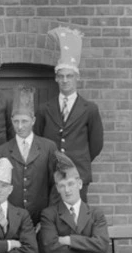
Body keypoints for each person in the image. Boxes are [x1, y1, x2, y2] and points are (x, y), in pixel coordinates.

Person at [36, 27, 104, 202]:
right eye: (61, 76)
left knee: (77, 218)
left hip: (78, 174)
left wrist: (78, 160)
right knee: (53, 217)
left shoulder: (89, 109)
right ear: (56, 78)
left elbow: (96, 145)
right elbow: (39, 140)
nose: (65, 80)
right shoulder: (45, 108)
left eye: (69, 76)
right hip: (53, 175)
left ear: (77, 78)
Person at [0, 86, 59, 226]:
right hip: (11, 221)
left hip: (41, 219)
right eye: (16, 121)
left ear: (33, 120)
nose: (20, 126)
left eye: (24, 121)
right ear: (11, 120)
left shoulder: (48, 148)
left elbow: (55, 185)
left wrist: (48, 218)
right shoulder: (2, 151)